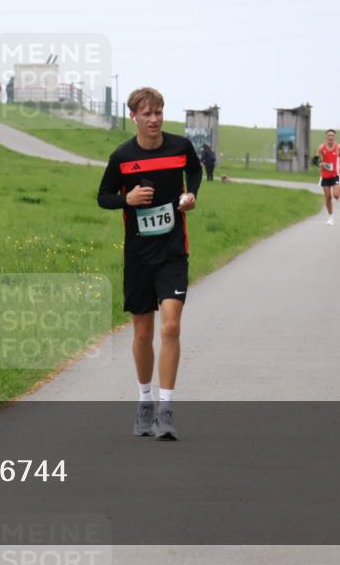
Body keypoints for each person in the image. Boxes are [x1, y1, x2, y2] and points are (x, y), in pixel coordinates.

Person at [97, 87, 202, 441]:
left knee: (170, 327)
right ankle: (144, 399)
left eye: (158, 112)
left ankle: (166, 409)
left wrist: (191, 195)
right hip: (139, 256)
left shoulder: (180, 147)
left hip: (173, 251)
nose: (154, 119)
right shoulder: (122, 157)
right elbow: (103, 197)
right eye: (147, 114)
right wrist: (127, 199)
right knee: (143, 333)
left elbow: (195, 172)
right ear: (134, 117)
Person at [318, 129, 340, 225]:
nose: (331, 137)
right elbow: (318, 160)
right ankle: (331, 217)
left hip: (335, 175)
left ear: (334, 137)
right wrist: (321, 163)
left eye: (332, 135)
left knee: (336, 195)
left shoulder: (339, 147)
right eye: (329, 135)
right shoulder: (321, 147)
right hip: (325, 176)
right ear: (326, 136)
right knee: (328, 198)